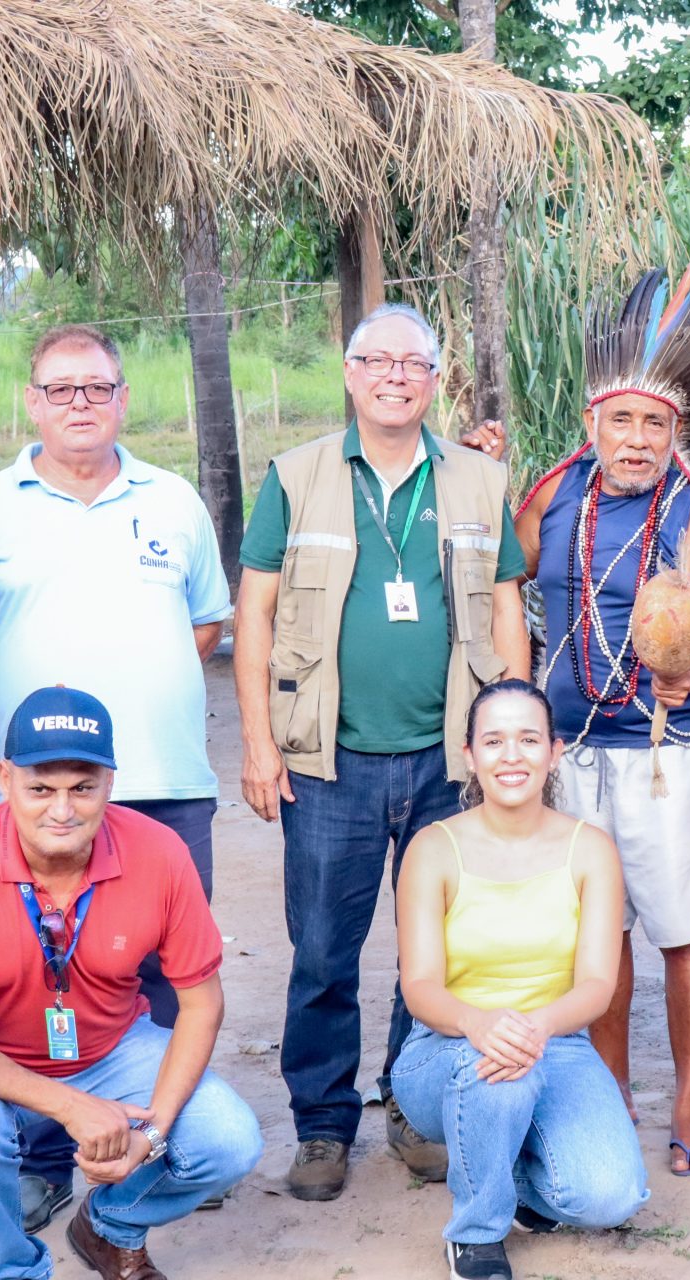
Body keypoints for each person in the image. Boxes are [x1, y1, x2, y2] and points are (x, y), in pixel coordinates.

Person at [234, 302, 529, 1200]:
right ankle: (323, 1128)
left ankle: (410, 1105)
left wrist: (507, 737)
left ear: (436, 380)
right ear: (351, 373)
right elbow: (255, 614)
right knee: (323, 951)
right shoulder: (298, 475)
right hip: (330, 764)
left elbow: (508, 608)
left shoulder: (479, 480)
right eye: (378, 361)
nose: (396, 376)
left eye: (415, 363)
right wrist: (258, 743)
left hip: (449, 761)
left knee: (431, 952)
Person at [0, 323, 233, 1227]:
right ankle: (44, 1156)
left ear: (122, 397)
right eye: (61, 388)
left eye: (98, 388)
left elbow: (203, 630)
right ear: (31, 400)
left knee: (161, 983)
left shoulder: (174, 500)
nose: (81, 403)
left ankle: (158, 1150)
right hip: (42, 797)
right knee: (41, 980)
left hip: (162, 780)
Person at [515, 263, 690, 1177]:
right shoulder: (551, 498)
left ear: (677, 432)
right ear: (592, 423)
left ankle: (688, 1100)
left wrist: (688, 672)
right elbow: (500, 585)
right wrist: (518, 710)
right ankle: (610, 1095)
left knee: (678, 930)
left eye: (654, 424)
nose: (635, 440)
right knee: (601, 934)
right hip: (568, 754)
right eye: (621, 420)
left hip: (663, 753)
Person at [0, 686, 263, 1280]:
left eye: (81, 788)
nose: (62, 810)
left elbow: (202, 1003)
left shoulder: (159, 852)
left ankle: (109, 1226)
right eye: (40, 788)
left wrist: (152, 1131)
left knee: (230, 1141)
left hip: (111, 1046)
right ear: (6, 777)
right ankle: (12, 1268)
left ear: (109, 784)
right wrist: (75, 1109)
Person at [391, 681, 647, 1280]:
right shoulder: (432, 849)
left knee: (609, 1197)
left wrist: (535, 1028)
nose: (512, 756)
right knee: (500, 1075)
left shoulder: (590, 849)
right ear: (469, 754)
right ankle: (475, 1234)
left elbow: (595, 985)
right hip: (447, 1048)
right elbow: (421, 986)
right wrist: (483, 1024)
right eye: (495, 741)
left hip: (555, 1041)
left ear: (554, 752)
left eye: (529, 739)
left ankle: (507, 1171)